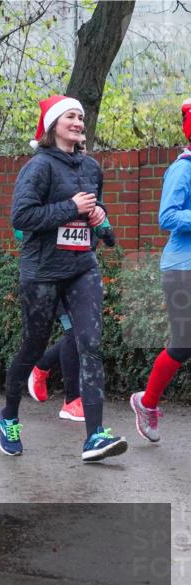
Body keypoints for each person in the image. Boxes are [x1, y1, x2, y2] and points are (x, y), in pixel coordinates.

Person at [0, 95, 127, 462]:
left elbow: (96, 219)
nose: (78, 121)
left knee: (91, 344)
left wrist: (102, 221)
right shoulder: (38, 168)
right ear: (54, 125)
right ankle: (8, 416)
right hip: (42, 272)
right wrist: (72, 208)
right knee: (33, 346)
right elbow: (21, 218)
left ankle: (95, 437)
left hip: (82, 268)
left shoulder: (92, 168)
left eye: (81, 116)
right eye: (70, 116)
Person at [26, 136, 118, 422]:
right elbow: (23, 225)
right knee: (72, 333)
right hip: (51, 270)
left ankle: (41, 366)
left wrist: (101, 222)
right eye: (77, 142)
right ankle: (71, 400)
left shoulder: (90, 177)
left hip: (80, 272)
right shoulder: (43, 174)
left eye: (85, 143)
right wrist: (64, 213)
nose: (81, 147)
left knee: (81, 335)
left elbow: (107, 234)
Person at [129, 97, 191, 443]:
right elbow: (167, 217)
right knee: (184, 344)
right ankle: (147, 402)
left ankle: (148, 401)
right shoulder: (183, 169)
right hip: (183, 268)